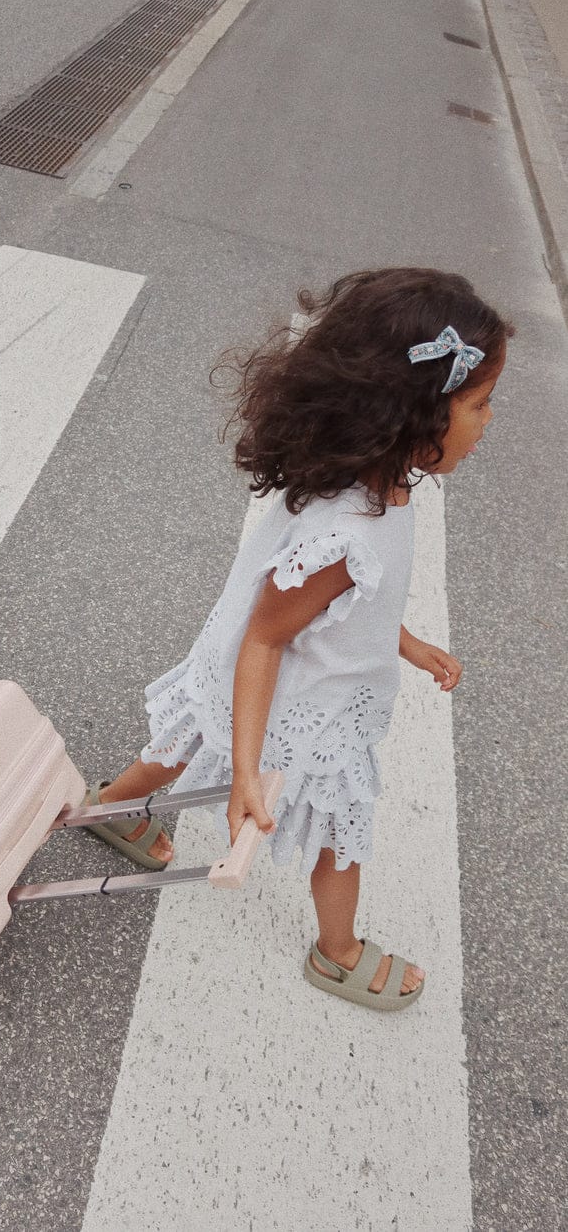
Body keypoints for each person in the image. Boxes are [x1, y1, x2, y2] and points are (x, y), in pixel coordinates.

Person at [85, 267, 511, 1011]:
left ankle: (111, 808)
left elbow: (352, 606)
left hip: (292, 674)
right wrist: (248, 773)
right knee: (340, 827)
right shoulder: (345, 534)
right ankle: (337, 953)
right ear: (414, 414)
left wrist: (407, 643)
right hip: (298, 698)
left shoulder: (381, 481)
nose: (489, 420)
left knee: (187, 739)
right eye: (477, 403)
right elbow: (265, 639)